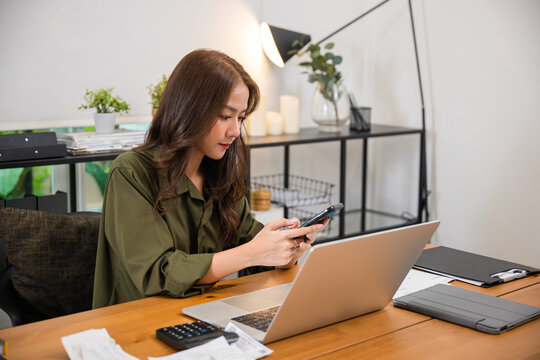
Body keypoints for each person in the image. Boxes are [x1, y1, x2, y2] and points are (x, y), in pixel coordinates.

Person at [92, 49, 327, 308]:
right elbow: (158, 273)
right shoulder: (131, 173)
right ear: (189, 109)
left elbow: (250, 241)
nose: (235, 130)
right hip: (135, 324)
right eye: (225, 116)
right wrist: (252, 253)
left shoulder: (219, 173)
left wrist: (286, 250)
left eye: (240, 118)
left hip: (206, 315)